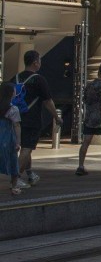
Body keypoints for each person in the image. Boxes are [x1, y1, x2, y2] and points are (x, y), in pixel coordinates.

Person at [14, 50, 62, 186]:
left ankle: (29, 174)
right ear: (35, 63)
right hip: (31, 119)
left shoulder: (16, 78)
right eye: (39, 60)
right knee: (27, 148)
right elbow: (48, 101)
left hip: (17, 119)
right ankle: (16, 177)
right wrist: (56, 117)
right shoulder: (38, 79)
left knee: (25, 146)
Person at [0, 83, 27, 196]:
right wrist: (18, 142)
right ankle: (14, 186)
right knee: (13, 162)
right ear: (11, 93)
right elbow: (17, 126)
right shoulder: (13, 109)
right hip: (7, 138)